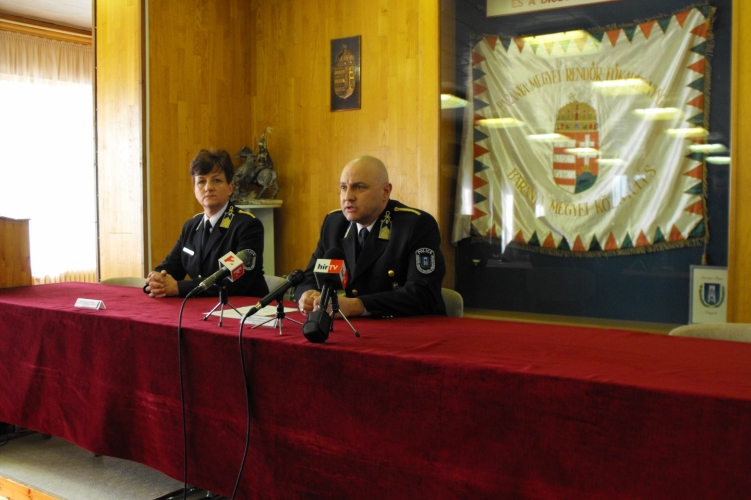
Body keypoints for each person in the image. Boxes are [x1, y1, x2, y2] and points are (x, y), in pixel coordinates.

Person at [295, 155, 446, 318]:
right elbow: (309, 277)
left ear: (385, 192)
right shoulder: (334, 224)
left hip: (407, 326)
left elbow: (423, 294)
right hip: (351, 327)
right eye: (343, 187)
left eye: (359, 187)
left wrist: (356, 306)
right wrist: (307, 295)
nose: (347, 197)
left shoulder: (415, 225)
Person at [145, 149, 269, 298]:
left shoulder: (247, 225)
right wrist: (157, 280)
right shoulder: (191, 227)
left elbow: (236, 281)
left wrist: (179, 287)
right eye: (201, 181)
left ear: (230, 188)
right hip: (202, 307)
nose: (208, 187)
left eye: (216, 180)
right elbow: (170, 267)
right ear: (194, 190)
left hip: (243, 308)